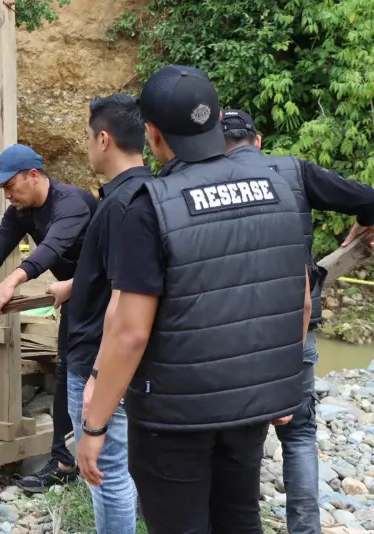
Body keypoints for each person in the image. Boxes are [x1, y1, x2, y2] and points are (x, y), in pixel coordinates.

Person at [77, 65, 312, 534]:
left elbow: (130, 331)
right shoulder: (279, 186)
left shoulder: (150, 205)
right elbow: (298, 299)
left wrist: (94, 425)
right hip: (249, 406)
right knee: (239, 517)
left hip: (174, 419)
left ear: (153, 134)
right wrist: (281, 383)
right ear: (218, 118)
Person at [222, 108, 374, 534]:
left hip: (228, 327)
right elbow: (369, 198)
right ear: (257, 142)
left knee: (236, 430)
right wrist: (363, 224)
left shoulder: (202, 179)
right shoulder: (293, 171)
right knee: (300, 432)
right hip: (293, 319)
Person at [0, 143, 97, 492]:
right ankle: (63, 463)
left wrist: (11, 283)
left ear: (34, 175)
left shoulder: (72, 203)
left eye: (11, 185)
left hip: (107, 296)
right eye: (3, 188)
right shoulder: (21, 210)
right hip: (74, 298)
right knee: (67, 371)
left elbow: (50, 248)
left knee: (98, 376)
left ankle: (108, 463)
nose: (7, 194)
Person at [45, 94, 148, 533]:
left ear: (103, 139)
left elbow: (125, 302)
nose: (87, 146)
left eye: (88, 137)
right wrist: (75, 283)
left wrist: (96, 379)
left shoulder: (120, 206)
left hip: (95, 359)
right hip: (106, 358)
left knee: (105, 474)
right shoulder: (147, 195)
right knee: (116, 469)